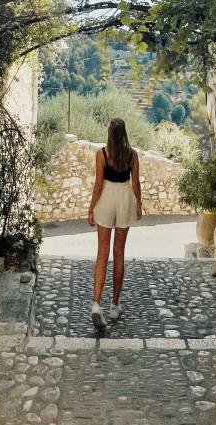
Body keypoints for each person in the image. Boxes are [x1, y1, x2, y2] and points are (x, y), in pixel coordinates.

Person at [87, 118, 142, 329]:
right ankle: (115, 304)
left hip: (106, 199)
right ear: (124, 133)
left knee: (102, 252)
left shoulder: (101, 154)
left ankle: (96, 304)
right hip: (125, 199)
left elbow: (98, 184)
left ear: (109, 134)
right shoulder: (132, 155)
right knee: (119, 253)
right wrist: (139, 205)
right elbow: (135, 183)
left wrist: (91, 208)